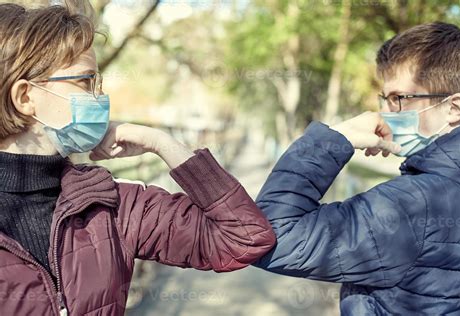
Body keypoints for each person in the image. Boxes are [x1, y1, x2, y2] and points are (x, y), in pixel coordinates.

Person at [0, 2, 276, 315]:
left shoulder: (111, 204)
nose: (99, 97)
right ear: (25, 97)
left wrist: (161, 142)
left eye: (98, 83)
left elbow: (245, 238)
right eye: (84, 82)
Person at [253, 22, 460, 315]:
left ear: (453, 108)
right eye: (385, 99)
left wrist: (333, 139)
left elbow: (266, 235)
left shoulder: (415, 204)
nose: (387, 112)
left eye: (399, 99)